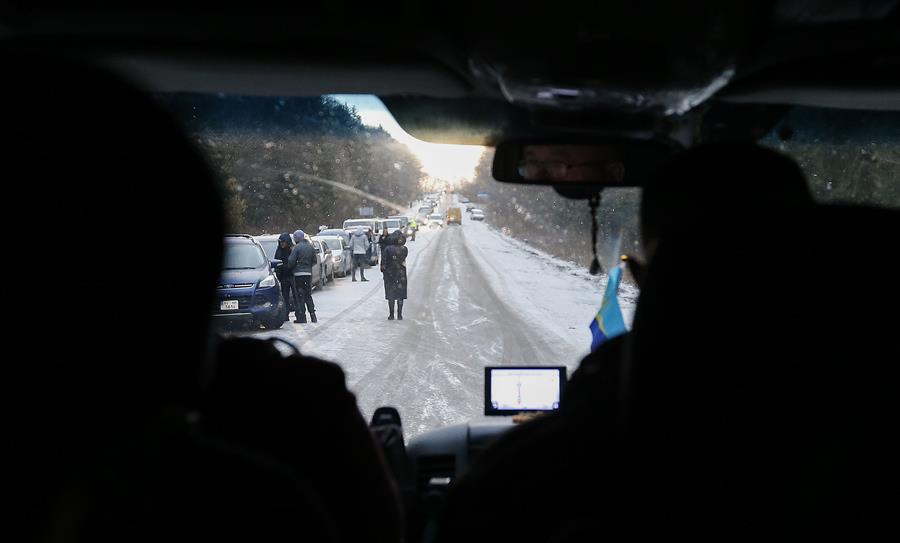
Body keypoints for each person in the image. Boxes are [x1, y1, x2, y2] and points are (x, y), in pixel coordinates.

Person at [287, 229, 317, 323]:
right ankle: (313, 315)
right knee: (308, 295)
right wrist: (308, 267)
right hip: (308, 274)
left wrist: (292, 267)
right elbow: (314, 261)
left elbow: (291, 261)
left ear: (296, 238)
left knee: (300, 296)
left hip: (298, 275)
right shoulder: (310, 247)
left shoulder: (296, 248)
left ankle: (302, 317)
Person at [381, 232, 408, 320]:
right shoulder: (404, 249)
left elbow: (383, 262)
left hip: (390, 274)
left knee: (391, 295)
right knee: (400, 295)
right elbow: (403, 257)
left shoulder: (387, 249)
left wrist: (384, 270)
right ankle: (399, 314)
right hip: (401, 274)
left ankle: (391, 314)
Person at [273, 233, 297, 321]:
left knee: (296, 296)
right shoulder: (279, 251)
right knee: (285, 297)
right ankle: (285, 315)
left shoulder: (292, 250)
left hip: (292, 276)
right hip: (283, 277)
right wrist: (279, 275)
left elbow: (296, 262)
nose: (282, 244)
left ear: (287, 242)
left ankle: (299, 315)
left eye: (283, 242)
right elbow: (276, 263)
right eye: (280, 242)